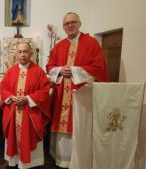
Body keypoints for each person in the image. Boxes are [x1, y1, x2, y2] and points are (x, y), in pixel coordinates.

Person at [46, 12, 109, 168]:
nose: (70, 25)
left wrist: (74, 71)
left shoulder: (91, 43)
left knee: (80, 127)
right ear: (63, 26)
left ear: (80, 23)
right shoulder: (58, 46)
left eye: (73, 22)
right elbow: (50, 67)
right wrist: (60, 70)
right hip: (62, 97)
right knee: (62, 129)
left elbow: (99, 68)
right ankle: (61, 161)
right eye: (67, 23)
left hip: (81, 96)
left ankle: (79, 161)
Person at [0, 42, 51, 169]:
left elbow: (45, 91)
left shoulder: (38, 71)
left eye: (25, 51)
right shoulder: (11, 71)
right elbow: (3, 88)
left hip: (30, 114)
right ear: (16, 54)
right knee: (13, 140)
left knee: (30, 139)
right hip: (14, 112)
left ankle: (30, 164)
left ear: (31, 53)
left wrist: (28, 99)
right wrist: (11, 97)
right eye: (20, 52)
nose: (22, 55)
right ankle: (14, 162)